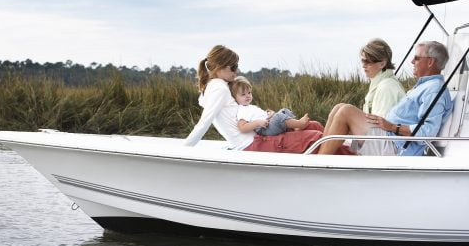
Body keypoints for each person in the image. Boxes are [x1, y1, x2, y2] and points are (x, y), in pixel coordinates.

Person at [318, 41, 453, 156]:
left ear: (430, 62)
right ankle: (318, 156)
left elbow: (428, 133)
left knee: (345, 111)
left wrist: (393, 127)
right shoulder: (425, 86)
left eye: (417, 58)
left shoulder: (434, 90)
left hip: (396, 147)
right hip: (390, 137)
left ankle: (318, 163)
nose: (412, 61)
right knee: (340, 107)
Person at [184, 45, 323, 152]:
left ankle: (341, 148)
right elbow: (204, 122)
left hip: (260, 136)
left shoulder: (219, 86)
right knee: (316, 136)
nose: (236, 71)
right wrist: (184, 148)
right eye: (233, 67)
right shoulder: (219, 89)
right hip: (254, 143)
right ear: (220, 67)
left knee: (314, 125)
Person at [229, 76, 313, 136]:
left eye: (249, 92)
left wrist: (269, 114)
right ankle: (300, 124)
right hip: (265, 130)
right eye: (243, 94)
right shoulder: (241, 110)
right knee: (279, 117)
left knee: (284, 110)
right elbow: (242, 127)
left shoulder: (250, 107)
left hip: (269, 123)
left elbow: (259, 115)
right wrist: (258, 123)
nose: (247, 96)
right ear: (235, 97)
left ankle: (295, 127)